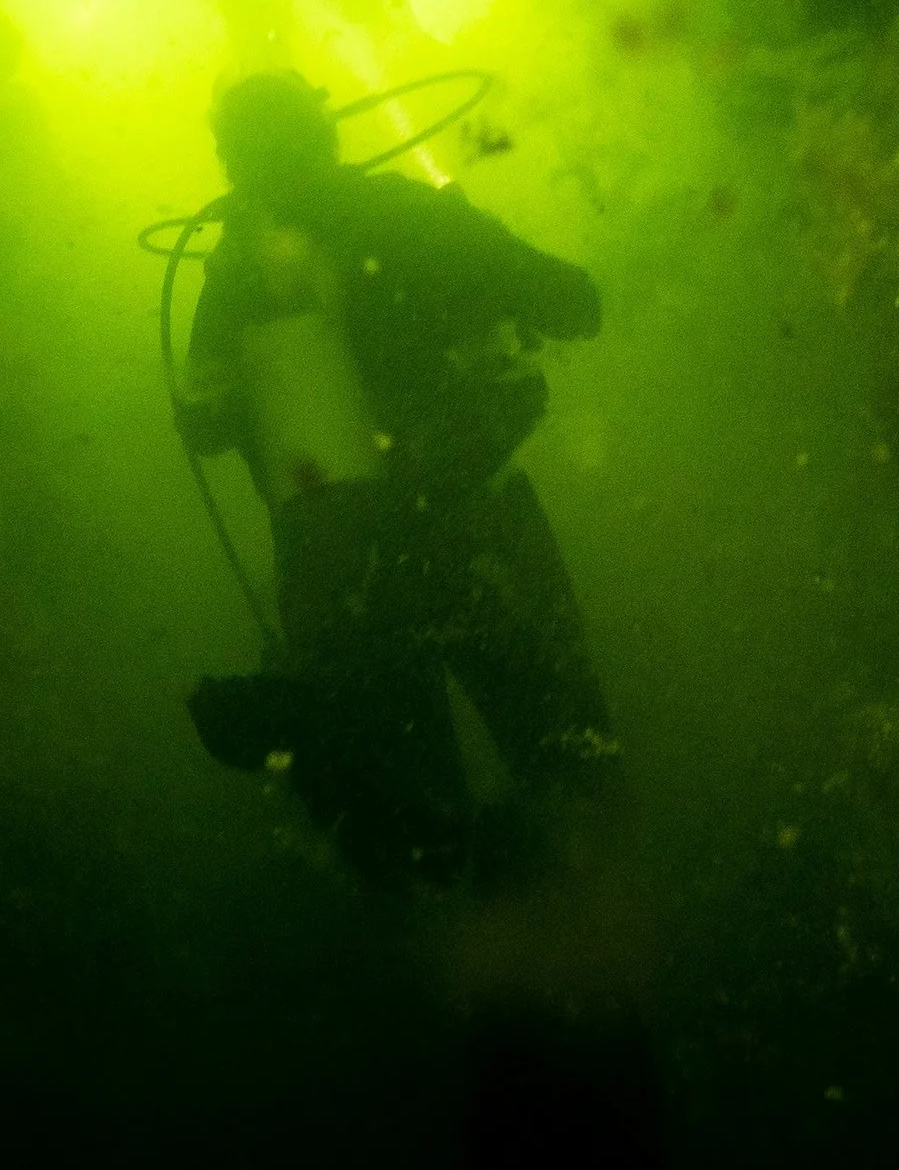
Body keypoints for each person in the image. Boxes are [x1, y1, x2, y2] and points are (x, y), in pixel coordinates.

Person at [177, 70, 619, 890]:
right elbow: (574, 304)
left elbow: (202, 424)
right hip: (469, 530)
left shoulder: (231, 277)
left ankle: (472, 962)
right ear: (327, 133)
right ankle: (595, 927)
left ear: (232, 162)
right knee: (572, 769)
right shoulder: (410, 217)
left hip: (343, 577)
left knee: (420, 836)